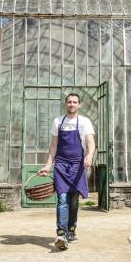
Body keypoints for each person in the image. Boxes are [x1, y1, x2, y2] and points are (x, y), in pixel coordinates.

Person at [38, 93, 95, 251]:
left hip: (77, 165)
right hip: (61, 166)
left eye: (75, 102)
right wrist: (48, 165)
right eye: (69, 102)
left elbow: (91, 143)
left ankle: (71, 230)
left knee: (74, 200)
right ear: (66, 104)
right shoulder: (58, 121)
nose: (72, 104)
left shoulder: (84, 122)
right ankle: (61, 233)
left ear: (79, 105)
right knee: (62, 199)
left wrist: (89, 156)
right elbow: (54, 146)